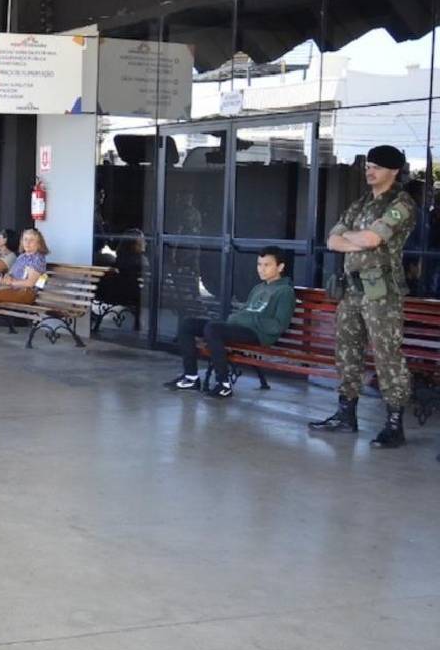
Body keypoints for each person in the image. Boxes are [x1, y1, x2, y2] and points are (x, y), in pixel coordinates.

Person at [309, 145, 417, 448]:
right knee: (347, 353)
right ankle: (346, 415)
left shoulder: (401, 204)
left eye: (377, 167)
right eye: (368, 165)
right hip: (352, 290)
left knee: (386, 357)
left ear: (393, 171)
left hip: (381, 292)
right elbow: (332, 239)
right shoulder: (360, 203)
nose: (369, 171)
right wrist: (357, 242)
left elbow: (373, 238)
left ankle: (394, 425)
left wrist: (355, 240)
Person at [165, 246, 296, 398]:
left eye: (267, 265)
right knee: (188, 324)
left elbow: (279, 324)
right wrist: (241, 318)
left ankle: (223, 384)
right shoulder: (259, 288)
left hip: (258, 334)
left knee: (213, 329)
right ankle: (191, 377)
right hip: (241, 327)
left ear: (280, 267)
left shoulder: (285, 292)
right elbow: (246, 311)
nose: (261, 269)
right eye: (259, 264)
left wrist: (248, 319)